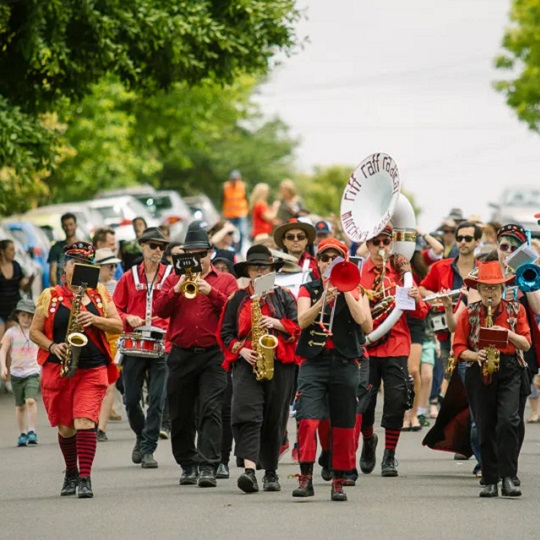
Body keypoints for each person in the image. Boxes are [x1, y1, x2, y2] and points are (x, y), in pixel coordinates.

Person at [29, 241, 123, 498]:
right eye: (74, 263)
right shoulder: (50, 296)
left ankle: (85, 478)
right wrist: (51, 346)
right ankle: (71, 472)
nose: (79, 267)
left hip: (92, 368)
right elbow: (34, 331)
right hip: (59, 369)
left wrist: (95, 319)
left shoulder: (100, 293)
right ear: (65, 267)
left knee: (84, 421)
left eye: (85, 264)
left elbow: (118, 325)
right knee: (66, 427)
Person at [155, 222, 238, 488]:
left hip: (213, 355)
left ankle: (207, 466)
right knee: (180, 413)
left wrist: (211, 292)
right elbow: (159, 309)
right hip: (181, 353)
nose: (198, 259)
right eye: (192, 254)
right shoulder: (172, 279)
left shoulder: (225, 280)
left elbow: (235, 312)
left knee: (210, 409)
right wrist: (178, 287)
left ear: (210, 253)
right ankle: (187, 464)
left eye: (202, 253)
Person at [293, 238, 372, 501]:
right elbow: (302, 321)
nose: (329, 263)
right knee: (307, 419)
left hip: (345, 362)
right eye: (325, 259)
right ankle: (305, 478)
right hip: (314, 362)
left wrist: (346, 289)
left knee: (344, 423)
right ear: (317, 262)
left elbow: (365, 324)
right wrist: (322, 299)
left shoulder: (357, 288)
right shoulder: (308, 289)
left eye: (335, 259)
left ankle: (338, 480)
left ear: (344, 262)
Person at [218, 245, 300, 493]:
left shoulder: (285, 296)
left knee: (275, 418)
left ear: (272, 271)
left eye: (265, 267)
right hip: (247, 363)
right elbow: (225, 333)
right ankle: (250, 471)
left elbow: (297, 328)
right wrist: (240, 349)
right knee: (247, 415)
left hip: (280, 363)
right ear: (249, 271)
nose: (260, 271)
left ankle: (272, 472)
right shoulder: (238, 299)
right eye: (256, 268)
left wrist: (276, 323)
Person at [453, 261, 531, 497]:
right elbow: (458, 348)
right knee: (485, 425)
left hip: (509, 369)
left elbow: (526, 343)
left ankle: (508, 477)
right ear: (478, 288)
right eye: (485, 288)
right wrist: (475, 354)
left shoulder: (516, 310)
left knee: (509, 421)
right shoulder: (469, 313)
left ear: (501, 289)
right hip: (480, 370)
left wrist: (507, 334)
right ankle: (490, 479)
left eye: (494, 288)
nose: (489, 293)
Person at [358, 225, 428, 477]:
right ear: (367, 244)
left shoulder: (401, 273)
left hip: (396, 344)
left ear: (392, 243)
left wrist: (415, 295)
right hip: (366, 346)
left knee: (397, 401)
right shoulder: (357, 272)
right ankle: (368, 441)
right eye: (375, 241)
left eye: (385, 242)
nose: (380, 247)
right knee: (363, 403)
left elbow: (421, 314)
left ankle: (389, 455)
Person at [113, 227, 171, 469]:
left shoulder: (171, 275)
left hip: (162, 344)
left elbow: (178, 306)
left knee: (157, 398)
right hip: (134, 343)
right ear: (142, 246)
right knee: (131, 398)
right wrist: (128, 318)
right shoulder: (128, 277)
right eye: (153, 246)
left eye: (161, 247)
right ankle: (141, 434)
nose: (158, 250)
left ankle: (148, 448)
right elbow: (114, 309)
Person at [0, 298, 40, 447]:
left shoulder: (36, 332)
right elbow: (3, 350)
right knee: (20, 405)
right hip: (16, 373)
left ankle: (32, 430)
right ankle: (22, 432)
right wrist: (3, 367)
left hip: (33, 371)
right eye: (23, 315)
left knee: (30, 400)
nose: (26, 319)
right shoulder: (11, 332)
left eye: (30, 315)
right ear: (17, 315)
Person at [94, 248, 123, 442]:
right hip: (94, 338)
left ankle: (101, 428)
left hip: (114, 339)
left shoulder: (118, 286)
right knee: (94, 383)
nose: (113, 269)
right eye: (109, 266)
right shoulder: (89, 287)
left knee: (110, 383)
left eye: (115, 266)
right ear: (98, 267)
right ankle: (92, 421)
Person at [0, 239, 35, 340]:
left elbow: (25, 288)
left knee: (12, 341)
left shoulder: (16, 266)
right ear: (2, 251)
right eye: (11, 249)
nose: (14, 252)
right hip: (0, 310)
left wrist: (31, 280)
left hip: (12, 309)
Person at [48, 212, 79, 287]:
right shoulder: (56, 247)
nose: (68, 228)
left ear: (76, 225)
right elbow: (52, 272)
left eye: (71, 224)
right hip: (62, 291)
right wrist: (57, 291)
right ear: (62, 227)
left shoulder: (84, 248)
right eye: (65, 225)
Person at [221, 169, 249, 253]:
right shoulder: (225, 186)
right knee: (230, 232)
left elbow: (247, 199)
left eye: (236, 178)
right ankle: (232, 248)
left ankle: (239, 249)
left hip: (241, 213)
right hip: (229, 214)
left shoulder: (243, 186)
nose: (234, 180)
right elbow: (222, 200)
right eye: (233, 179)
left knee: (242, 231)